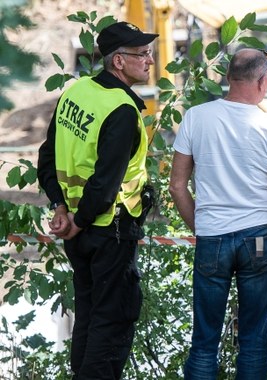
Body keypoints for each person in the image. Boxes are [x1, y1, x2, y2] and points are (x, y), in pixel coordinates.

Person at [168, 48, 267, 379]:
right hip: (258, 239)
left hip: (212, 238)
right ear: (263, 81)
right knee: (254, 342)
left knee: (203, 343)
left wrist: (202, 226)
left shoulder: (195, 117)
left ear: (228, 78)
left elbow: (176, 187)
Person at [37, 21, 158, 379]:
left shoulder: (76, 93)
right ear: (118, 61)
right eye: (143, 54)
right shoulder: (121, 110)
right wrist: (79, 219)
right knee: (111, 324)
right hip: (110, 231)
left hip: (80, 232)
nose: (150, 60)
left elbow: (47, 157)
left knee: (88, 320)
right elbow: (106, 185)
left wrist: (62, 207)